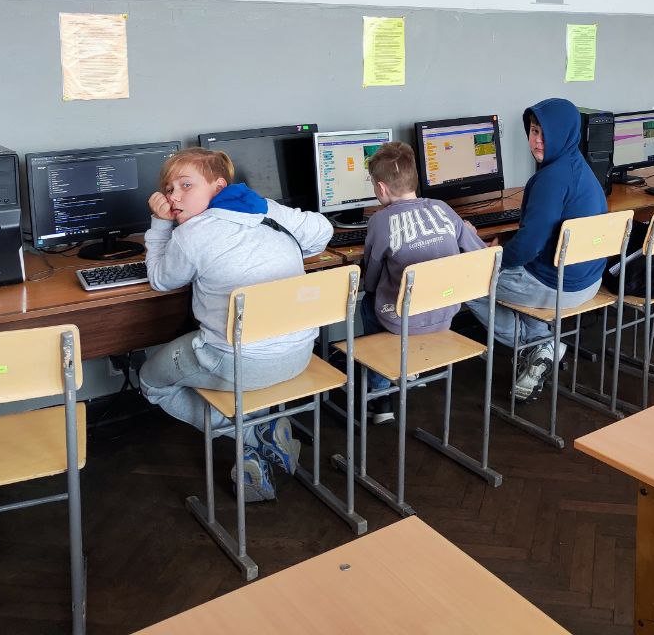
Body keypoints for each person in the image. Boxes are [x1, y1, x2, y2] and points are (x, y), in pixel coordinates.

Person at [139, 147, 332, 502]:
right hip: (299, 357)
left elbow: (161, 280)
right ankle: (264, 432)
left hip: (238, 365)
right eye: (168, 189)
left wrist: (160, 223)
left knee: (151, 383)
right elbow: (323, 231)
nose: (174, 196)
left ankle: (250, 436)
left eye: (185, 185)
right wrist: (273, 221)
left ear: (218, 187)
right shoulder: (264, 210)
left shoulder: (192, 234)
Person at [465, 98, 606, 401]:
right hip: (589, 282)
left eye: (545, 132)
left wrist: (494, 257)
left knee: (465, 280)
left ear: (564, 133)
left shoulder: (551, 178)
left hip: (557, 287)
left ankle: (539, 344)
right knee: (514, 268)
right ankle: (543, 345)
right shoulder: (579, 167)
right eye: (533, 131)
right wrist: (505, 251)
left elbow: (528, 247)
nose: (537, 140)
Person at [358, 141, 486, 423]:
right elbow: (479, 253)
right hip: (445, 314)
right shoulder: (443, 209)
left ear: (381, 188)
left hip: (402, 321)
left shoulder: (379, 222)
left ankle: (381, 396)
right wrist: (467, 232)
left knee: (368, 302)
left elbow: (372, 279)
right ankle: (411, 368)